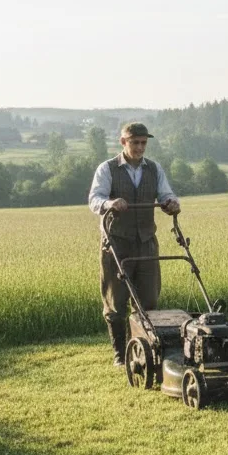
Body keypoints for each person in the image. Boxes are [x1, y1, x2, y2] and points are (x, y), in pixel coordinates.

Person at [88, 122, 181, 366]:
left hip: (147, 241)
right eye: (135, 142)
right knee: (115, 302)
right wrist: (109, 203)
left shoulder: (154, 169)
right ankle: (120, 354)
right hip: (116, 242)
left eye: (143, 143)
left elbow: (166, 193)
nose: (140, 147)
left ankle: (141, 349)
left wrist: (171, 202)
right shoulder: (107, 169)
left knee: (148, 300)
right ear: (123, 142)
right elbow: (95, 199)